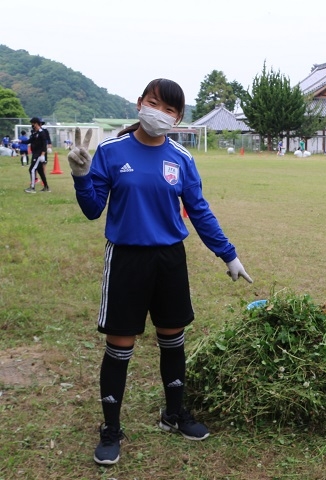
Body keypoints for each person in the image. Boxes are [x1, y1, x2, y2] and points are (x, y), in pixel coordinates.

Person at [67, 78, 253, 466]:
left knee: (172, 337)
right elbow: (92, 209)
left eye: (169, 109)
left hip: (170, 259)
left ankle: (174, 414)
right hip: (126, 259)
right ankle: (111, 429)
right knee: (120, 344)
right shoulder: (112, 151)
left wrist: (228, 255)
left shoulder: (181, 158)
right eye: (154, 104)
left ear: (178, 118)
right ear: (140, 104)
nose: (160, 113)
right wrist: (82, 177)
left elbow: (199, 210)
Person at [23, 117, 50, 193]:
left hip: (39, 154)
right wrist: (21, 141)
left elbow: (44, 144)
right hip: (35, 153)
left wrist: (43, 154)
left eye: (33, 123)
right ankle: (46, 187)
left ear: (36, 123)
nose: (32, 125)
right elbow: (29, 141)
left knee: (32, 169)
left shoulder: (42, 132)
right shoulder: (35, 133)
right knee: (40, 171)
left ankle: (32, 188)